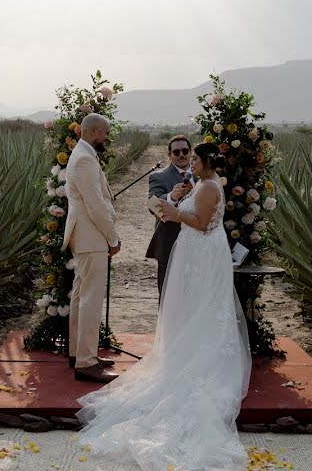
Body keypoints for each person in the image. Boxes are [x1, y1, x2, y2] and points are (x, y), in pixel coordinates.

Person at [76, 142, 251, 470]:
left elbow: (200, 221)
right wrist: (171, 202)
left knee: (201, 308)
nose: (191, 162)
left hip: (201, 253)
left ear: (205, 161)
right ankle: (182, 348)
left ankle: (197, 357)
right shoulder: (199, 183)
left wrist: (172, 212)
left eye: (195, 158)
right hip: (192, 252)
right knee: (185, 308)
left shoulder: (211, 187)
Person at [62, 113, 121, 383]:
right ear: (93, 132)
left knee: (79, 295)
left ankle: (78, 353)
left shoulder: (82, 154)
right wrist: (112, 237)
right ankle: (86, 362)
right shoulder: (85, 158)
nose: (108, 137)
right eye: (106, 133)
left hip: (83, 235)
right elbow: (95, 204)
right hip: (91, 235)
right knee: (90, 299)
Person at [145, 135, 194, 302]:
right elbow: (152, 207)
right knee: (169, 298)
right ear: (169, 155)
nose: (181, 155)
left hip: (198, 245)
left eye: (185, 151)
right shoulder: (159, 176)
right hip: (170, 243)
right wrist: (171, 197)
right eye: (176, 152)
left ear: (191, 152)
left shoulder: (202, 175)